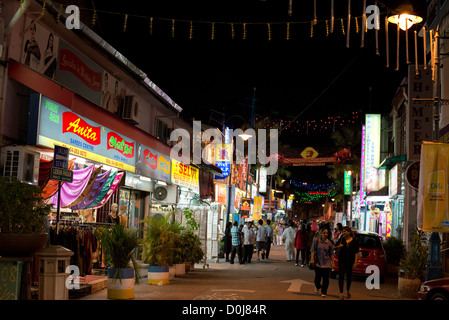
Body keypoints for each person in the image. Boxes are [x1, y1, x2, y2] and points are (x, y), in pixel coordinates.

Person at [335, 226, 359, 300]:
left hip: (350, 260)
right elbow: (335, 247)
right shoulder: (341, 239)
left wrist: (355, 262)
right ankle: (341, 293)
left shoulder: (354, 241)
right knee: (341, 275)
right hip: (341, 259)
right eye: (343, 231)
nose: (344, 232)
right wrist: (339, 246)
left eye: (345, 231)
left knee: (348, 276)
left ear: (349, 232)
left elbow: (356, 252)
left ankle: (347, 291)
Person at [310, 228, 334, 298]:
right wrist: (312, 259)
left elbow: (331, 253)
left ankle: (324, 292)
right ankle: (318, 286)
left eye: (326, 233)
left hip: (327, 264)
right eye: (324, 233)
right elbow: (312, 250)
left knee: (326, 279)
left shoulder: (329, 243)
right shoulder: (316, 241)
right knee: (317, 279)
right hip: (318, 263)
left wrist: (333, 262)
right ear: (320, 233)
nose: (325, 234)